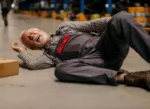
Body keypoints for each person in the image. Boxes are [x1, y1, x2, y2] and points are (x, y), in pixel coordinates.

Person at [12, 11, 150, 90]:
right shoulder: (49, 56)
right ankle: (129, 78)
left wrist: (119, 24)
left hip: (106, 46)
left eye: (32, 32)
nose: (31, 35)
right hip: (94, 62)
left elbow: (93, 25)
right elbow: (33, 64)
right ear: (32, 47)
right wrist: (22, 50)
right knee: (61, 69)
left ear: (40, 30)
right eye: (28, 39)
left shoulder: (65, 27)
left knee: (121, 17)